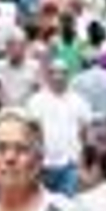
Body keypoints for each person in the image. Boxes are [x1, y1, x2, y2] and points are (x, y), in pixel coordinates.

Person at [24, 59, 93, 196]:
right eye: (53, 73)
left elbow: (85, 131)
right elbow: (31, 132)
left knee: (68, 206)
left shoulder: (79, 101)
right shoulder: (36, 101)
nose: (58, 77)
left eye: (63, 73)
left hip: (70, 163)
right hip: (43, 164)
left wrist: (84, 162)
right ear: (47, 76)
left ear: (69, 76)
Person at [0, 30, 40, 109]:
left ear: (24, 46)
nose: (11, 49)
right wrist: (8, 105)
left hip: (28, 108)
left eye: (14, 45)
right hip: (6, 108)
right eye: (9, 45)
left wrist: (22, 106)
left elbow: (36, 90)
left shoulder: (35, 66)